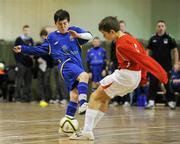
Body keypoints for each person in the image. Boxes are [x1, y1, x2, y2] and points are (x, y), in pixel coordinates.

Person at [70, 16, 168, 140]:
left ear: (112, 32)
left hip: (126, 75)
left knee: (94, 96)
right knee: (104, 99)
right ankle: (87, 130)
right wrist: (142, 78)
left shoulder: (121, 44)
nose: (104, 37)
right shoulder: (131, 38)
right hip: (134, 76)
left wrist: (162, 75)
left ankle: (87, 131)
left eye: (104, 34)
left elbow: (143, 59)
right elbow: (142, 55)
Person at [13, 9, 92, 117]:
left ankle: (68, 121)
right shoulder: (52, 37)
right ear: (55, 24)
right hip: (66, 65)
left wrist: (78, 35)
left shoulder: (74, 30)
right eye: (60, 24)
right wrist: (23, 49)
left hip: (77, 65)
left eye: (65, 23)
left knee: (74, 95)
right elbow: (39, 49)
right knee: (85, 76)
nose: (63, 26)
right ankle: (83, 104)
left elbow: (90, 36)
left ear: (68, 22)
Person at [145, 20, 179, 110]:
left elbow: (175, 51)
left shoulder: (169, 38)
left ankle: (171, 101)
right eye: (159, 26)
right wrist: (145, 62)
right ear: (156, 28)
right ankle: (151, 102)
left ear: (165, 27)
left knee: (167, 83)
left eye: (162, 26)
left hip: (166, 66)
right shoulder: (152, 39)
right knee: (153, 83)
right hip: (154, 66)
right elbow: (147, 51)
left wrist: (176, 63)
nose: (160, 28)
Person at [14, 25, 34, 102]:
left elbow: (32, 50)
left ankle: (26, 97)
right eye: (25, 30)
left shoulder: (31, 40)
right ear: (23, 30)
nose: (26, 31)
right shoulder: (18, 39)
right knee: (19, 80)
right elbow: (15, 51)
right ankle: (17, 97)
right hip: (21, 63)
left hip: (29, 63)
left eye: (28, 30)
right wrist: (18, 62)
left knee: (28, 81)